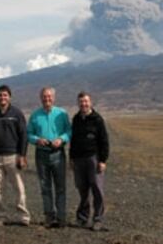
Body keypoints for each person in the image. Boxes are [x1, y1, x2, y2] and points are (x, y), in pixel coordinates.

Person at [0, 85, 30, 226]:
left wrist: (22, 155)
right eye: (0, 95)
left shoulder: (17, 114)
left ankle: (23, 216)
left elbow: (23, 135)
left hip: (13, 156)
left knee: (18, 188)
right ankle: (0, 216)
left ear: (9, 97)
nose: (2, 97)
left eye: (5, 95)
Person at [27, 87, 71, 228]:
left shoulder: (62, 114)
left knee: (60, 187)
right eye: (44, 96)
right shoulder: (35, 115)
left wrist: (62, 139)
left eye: (49, 96)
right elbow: (28, 134)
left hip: (58, 154)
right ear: (41, 98)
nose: (47, 99)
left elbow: (69, 131)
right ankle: (49, 217)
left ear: (54, 97)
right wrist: (37, 139)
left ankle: (61, 217)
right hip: (41, 154)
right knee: (45, 187)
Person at [69, 92, 109, 231]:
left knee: (97, 189)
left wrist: (102, 160)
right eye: (81, 102)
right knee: (82, 190)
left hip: (94, 158)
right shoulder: (76, 119)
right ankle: (82, 217)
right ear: (78, 103)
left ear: (90, 102)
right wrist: (71, 158)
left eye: (86, 101)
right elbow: (73, 141)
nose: (83, 104)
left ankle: (98, 219)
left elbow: (104, 141)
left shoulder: (97, 119)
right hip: (79, 160)